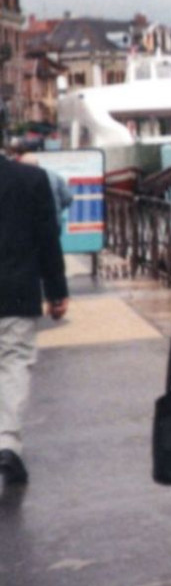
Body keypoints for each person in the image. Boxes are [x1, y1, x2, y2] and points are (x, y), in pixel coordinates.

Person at [0, 149, 70, 487]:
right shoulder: (30, 179)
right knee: (13, 364)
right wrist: (57, 290)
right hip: (16, 292)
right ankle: (6, 444)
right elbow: (47, 239)